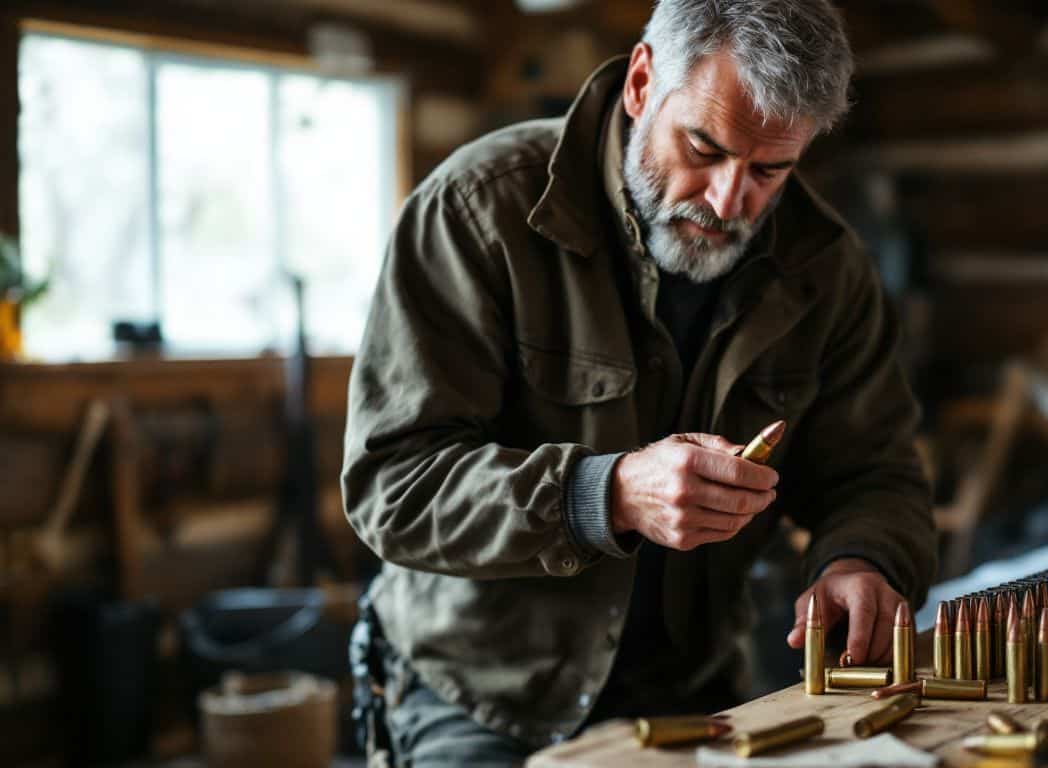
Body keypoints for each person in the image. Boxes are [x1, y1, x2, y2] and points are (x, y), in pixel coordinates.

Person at [342, 1, 937, 764]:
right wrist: (604, 495)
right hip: (483, 691)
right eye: (704, 146)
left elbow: (876, 473)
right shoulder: (478, 210)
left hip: (698, 685)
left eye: (769, 170)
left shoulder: (826, 269)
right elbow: (391, 485)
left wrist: (863, 560)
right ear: (642, 81)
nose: (729, 202)